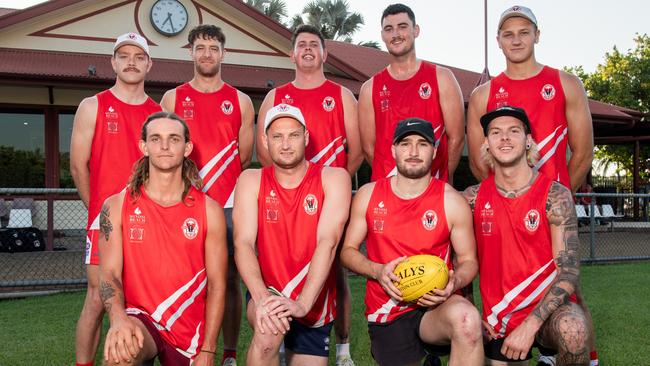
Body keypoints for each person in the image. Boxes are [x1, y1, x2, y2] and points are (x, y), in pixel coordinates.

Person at [466, 6, 598, 365]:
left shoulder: (565, 83)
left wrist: (546, 199)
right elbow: (480, 163)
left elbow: (583, 153)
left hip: (552, 209)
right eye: (508, 34)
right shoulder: (484, 95)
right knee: (498, 285)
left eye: (524, 32)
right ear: (498, 41)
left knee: (571, 291)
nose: (516, 39)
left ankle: (580, 355)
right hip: (504, 212)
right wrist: (512, 200)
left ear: (537, 35)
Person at [255, 24, 362, 366]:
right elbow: (264, 150)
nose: (307, 49)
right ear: (292, 53)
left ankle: (342, 346)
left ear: (324, 53)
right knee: (280, 263)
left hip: (330, 199)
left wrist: (332, 189)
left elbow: (356, 151)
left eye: (314, 45)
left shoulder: (342, 95)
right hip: (288, 201)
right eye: (301, 44)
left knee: (335, 270)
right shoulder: (276, 97)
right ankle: (282, 334)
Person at [340, 118, 483, 366]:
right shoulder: (368, 195)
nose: (414, 152)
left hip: (437, 304)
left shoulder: (451, 201)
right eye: (405, 144)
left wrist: (455, 282)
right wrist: (377, 270)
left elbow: (469, 260)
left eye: (423, 144)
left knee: (467, 321)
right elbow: (347, 251)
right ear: (394, 150)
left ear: (434, 151)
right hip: (388, 308)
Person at [462, 106, 592, 365]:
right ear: (486, 143)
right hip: (498, 317)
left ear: (528, 140)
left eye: (514, 131)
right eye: (496, 132)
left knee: (574, 331)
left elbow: (568, 271)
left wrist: (530, 325)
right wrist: (471, 310)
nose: (505, 138)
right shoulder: (471, 199)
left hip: (548, 312)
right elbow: (461, 262)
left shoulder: (555, 195)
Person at [98, 112, 227, 365]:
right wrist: (118, 319)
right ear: (143, 146)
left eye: (174, 139)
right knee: (120, 353)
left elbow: (217, 285)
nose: (165, 146)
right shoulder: (115, 206)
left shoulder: (209, 210)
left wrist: (209, 350)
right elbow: (108, 273)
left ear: (187, 147)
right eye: (156, 139)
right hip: (141, 317)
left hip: (189, 329)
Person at [160, 24, 254, 366]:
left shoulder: (240, 101)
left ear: (223, 53)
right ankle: (183, 344)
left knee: (226, 280)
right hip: (183, 203)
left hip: (227, 207)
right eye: (200, 48)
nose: (207, 54)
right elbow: (165, 149)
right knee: (184, 276)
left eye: (213, 48)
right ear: (191, 52)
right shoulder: (172, 98)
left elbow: (243, 158)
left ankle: (227, 353)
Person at [234, 104, 351, 366]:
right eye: (277, 136)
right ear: (264, 141)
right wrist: (263, 299)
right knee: (268, 334)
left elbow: (328, 242)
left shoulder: (333, 178)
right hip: (270, 289)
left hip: (315, 299)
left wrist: (302, 303)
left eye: (293, 135)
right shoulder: (251, 180)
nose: (285, 144)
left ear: (306, 137)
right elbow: (242, 243)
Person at [70, 32, 161, 366]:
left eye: (139, 56)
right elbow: (78, 167)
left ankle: (133, 356)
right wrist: (100, 215)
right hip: (104, 222)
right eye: (124, 55)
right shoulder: (93, 105)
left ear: (149, 64)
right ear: (113, 62)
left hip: (147, 223)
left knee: (140, 300)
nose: (131, 62)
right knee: (97, 299)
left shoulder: (158, 113)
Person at [358, 3, 464, 183]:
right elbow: (369, 148)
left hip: (432, 188)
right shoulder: (370, 88)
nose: (396, 34)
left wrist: (439, 180)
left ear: (416, 30)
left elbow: (457, 138)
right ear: (383, 35)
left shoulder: (442, 77)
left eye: (402, 27)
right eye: (389, 29)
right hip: (387, 191)